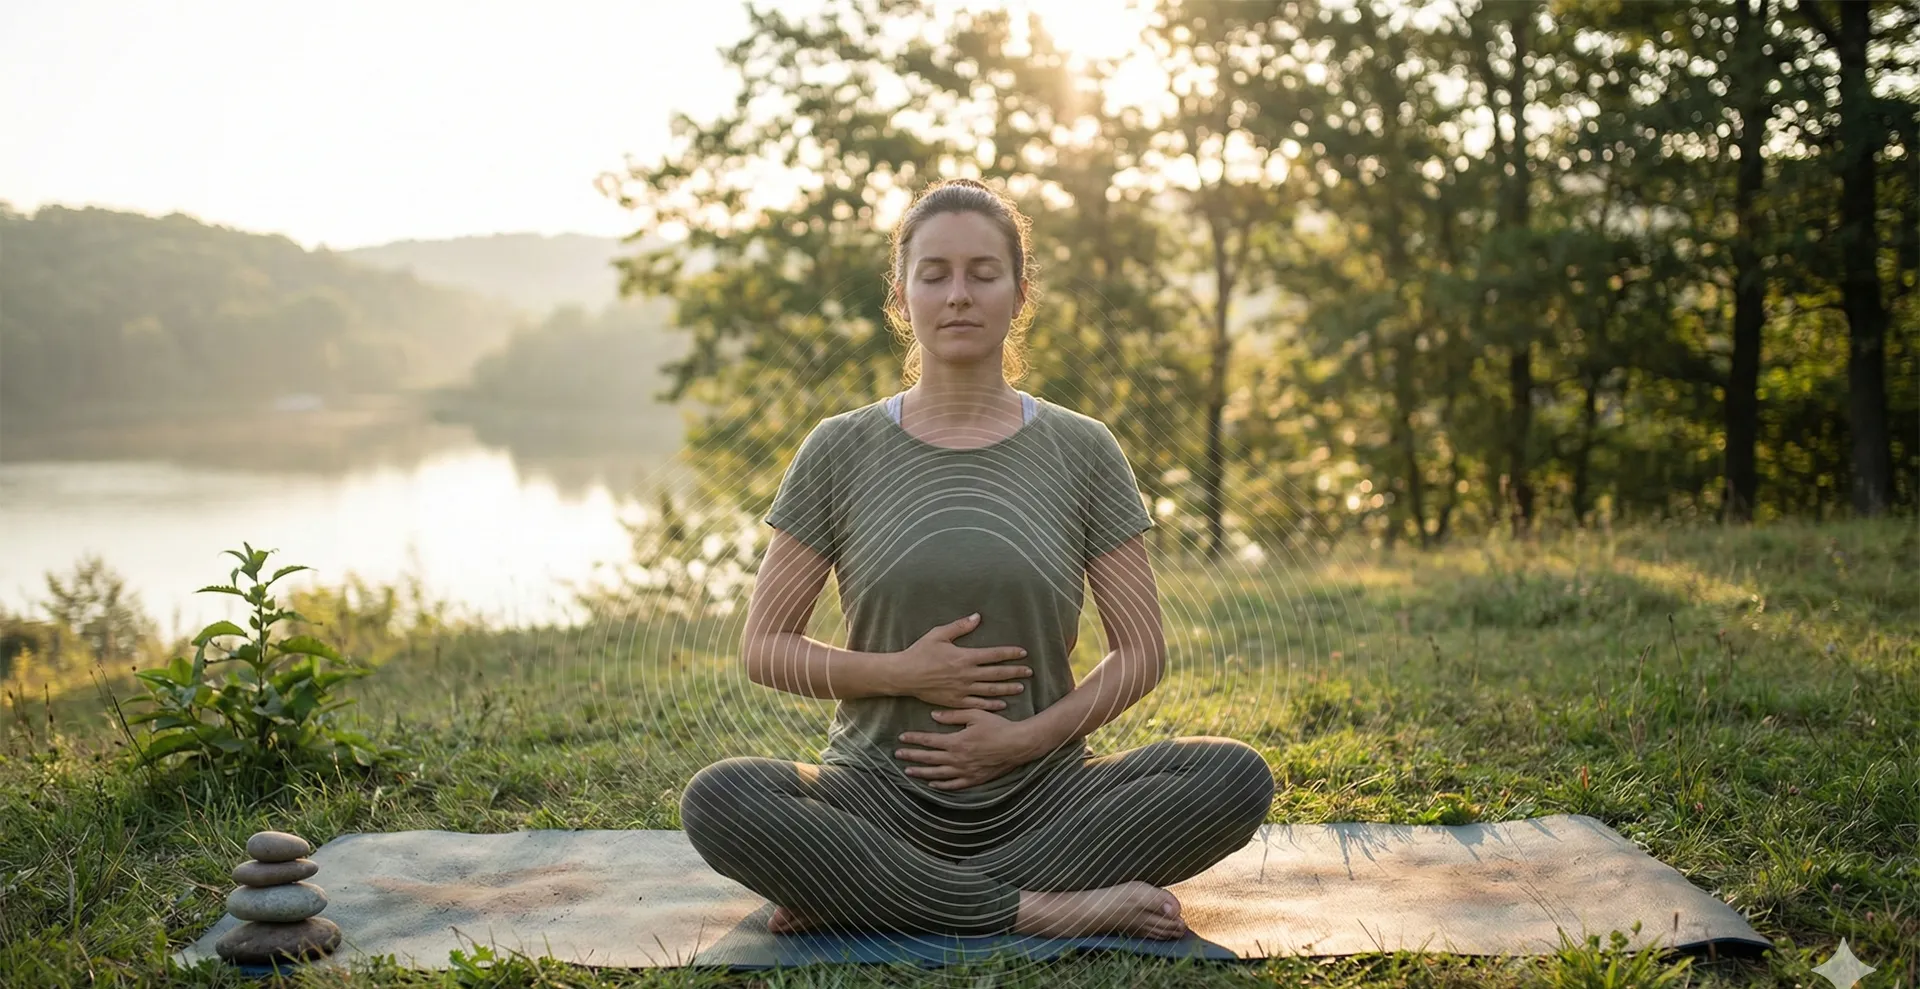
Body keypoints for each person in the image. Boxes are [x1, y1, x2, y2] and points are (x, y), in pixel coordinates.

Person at [679, 177, 1274, 941]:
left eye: (983, 273)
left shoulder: (1083, 448)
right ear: (902, 296)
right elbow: (766, 648)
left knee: (1233, 776)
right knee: (722, 798)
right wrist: (905, 673)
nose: (958, 294)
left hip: (1048, 801)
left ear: (1020, 292)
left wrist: (1022, 741)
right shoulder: (839, 447)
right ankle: (1045, 909)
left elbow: (1141, 651)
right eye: (934, 274)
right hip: (873, 799)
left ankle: (874, 893)